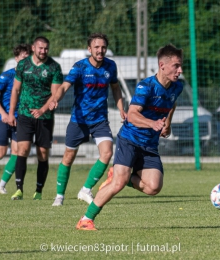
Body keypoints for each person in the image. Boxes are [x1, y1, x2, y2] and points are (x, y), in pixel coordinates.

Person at [76, 43, 184, 230]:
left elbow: (171, 104)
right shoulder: (146, 86)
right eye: (176, 66)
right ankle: (86, 219)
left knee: (153, 187)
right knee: (118, 183)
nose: (180, 70)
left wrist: (168, 123)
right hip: (130, 140)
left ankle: (119, 175)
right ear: (162, 65)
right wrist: (153, 123)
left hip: (149, 145)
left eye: (181, 65)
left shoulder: (177, 87)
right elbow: (132, 114)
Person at [49, 32, 126, 206]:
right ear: (89, 49)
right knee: (69, 156)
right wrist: (55, 98)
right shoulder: (80, 67)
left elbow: (115, 88)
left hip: (99, 120)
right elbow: (65, 86)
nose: (100, 50)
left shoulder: (111, 66)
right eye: (96, 47)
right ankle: (59, 196)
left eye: (103, 47)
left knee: (107, 153)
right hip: (79, 119)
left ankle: (85, 190)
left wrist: (122, 108)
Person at [8, 36, 63, 200]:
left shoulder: (54, 67)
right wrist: (11, 113)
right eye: (40, 48)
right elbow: (16, 90)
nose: (43, 51)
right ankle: (19, 190)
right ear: (33, 48)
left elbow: (55, 94)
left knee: (42, 153)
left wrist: (43, 109)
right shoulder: (23, 65)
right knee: (22, 149)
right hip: (24, 114)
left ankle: (38, 191)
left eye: (46, 48)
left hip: (44, 116)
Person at [0, 44, 32, 193]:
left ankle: (1, 186)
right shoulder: (7, 75)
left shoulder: (31, 78)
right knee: (1, 152)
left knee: (18, 152)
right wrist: (4, 114)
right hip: (3, 119)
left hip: (20, 120)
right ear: (17, 59)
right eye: (23, 57)